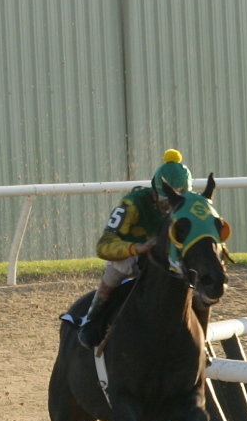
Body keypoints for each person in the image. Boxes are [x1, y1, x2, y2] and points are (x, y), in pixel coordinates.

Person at [77, 149, 190, 349]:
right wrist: (139, 247)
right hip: (133, 260)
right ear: (155, 191)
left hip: (167, 261)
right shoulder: (132, 204)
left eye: (176, 199)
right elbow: (104, 246)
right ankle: (92, 319)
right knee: (118, 268)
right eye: (166, 200)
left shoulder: (191, 204)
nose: (170, 206)